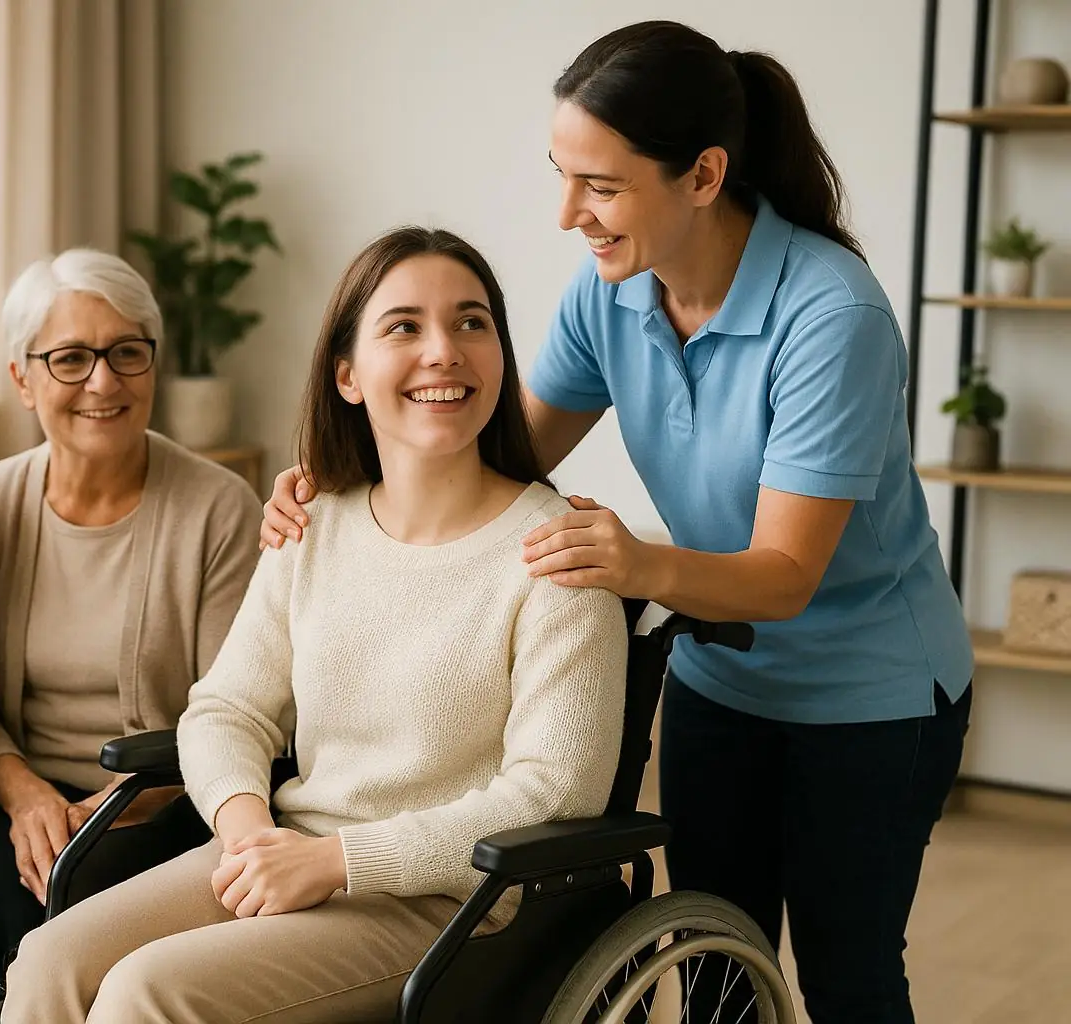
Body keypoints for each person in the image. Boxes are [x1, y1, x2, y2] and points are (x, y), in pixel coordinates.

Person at [261, 20, 973, 1024]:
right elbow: (500, 460)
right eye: (563, 176)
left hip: (870, 695)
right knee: (717, 960)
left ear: (703, 175)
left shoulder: (830, 315)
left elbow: (784, 577)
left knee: (847, 970)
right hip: (721, 678)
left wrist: (635, 562)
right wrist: (335, 483)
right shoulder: (615, 298)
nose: (569, 215)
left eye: (600, 185)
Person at [0, 226, 630, 1023]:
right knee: (47, 961)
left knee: (143, 995)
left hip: (449, 898)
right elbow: (226, 708)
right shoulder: (313, 527)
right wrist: (248, 830)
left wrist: (336, 861)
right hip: (281, 848)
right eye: (404, 326)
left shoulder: (557, 555)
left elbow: (555, 790)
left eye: (473, 323)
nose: (445, 351)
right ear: (348, 376)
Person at [0, 249, 263, 988]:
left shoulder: (220, 511)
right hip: (18, 794)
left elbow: (242, 711)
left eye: (127, 353)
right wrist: (24, 793)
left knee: (81, 907)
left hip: (167, 801)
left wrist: (119, 805)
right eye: (70, 358)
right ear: (22, 379)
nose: (103, 381)